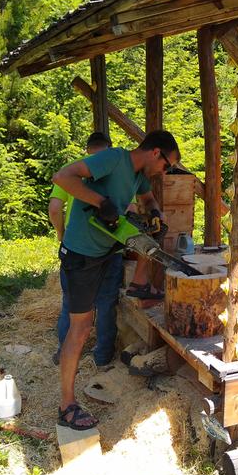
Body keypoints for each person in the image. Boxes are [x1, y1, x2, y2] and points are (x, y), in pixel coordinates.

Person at [52, 129, 180, 430]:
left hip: (106, 252)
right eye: (167, 165)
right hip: (81, 256)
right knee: (80, 327)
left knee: (150, 238)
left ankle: (139, 284)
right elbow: (63, 177)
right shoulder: (113, 158)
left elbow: (147, 198)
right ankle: (66, 406)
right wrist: (100, 202)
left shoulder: (139, 176)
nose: (166, 172)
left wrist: (155, 213)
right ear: (155, 153)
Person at [48, 132, 121, 369]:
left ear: (87, 148)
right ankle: (102, 357)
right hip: (110, 250)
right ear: (109, 148)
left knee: (71, 303)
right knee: (106, 303)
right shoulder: (116, 172)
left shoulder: (73, 169)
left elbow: (54, 209)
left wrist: (61, 234)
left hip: (77, 249)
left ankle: (65, 353)